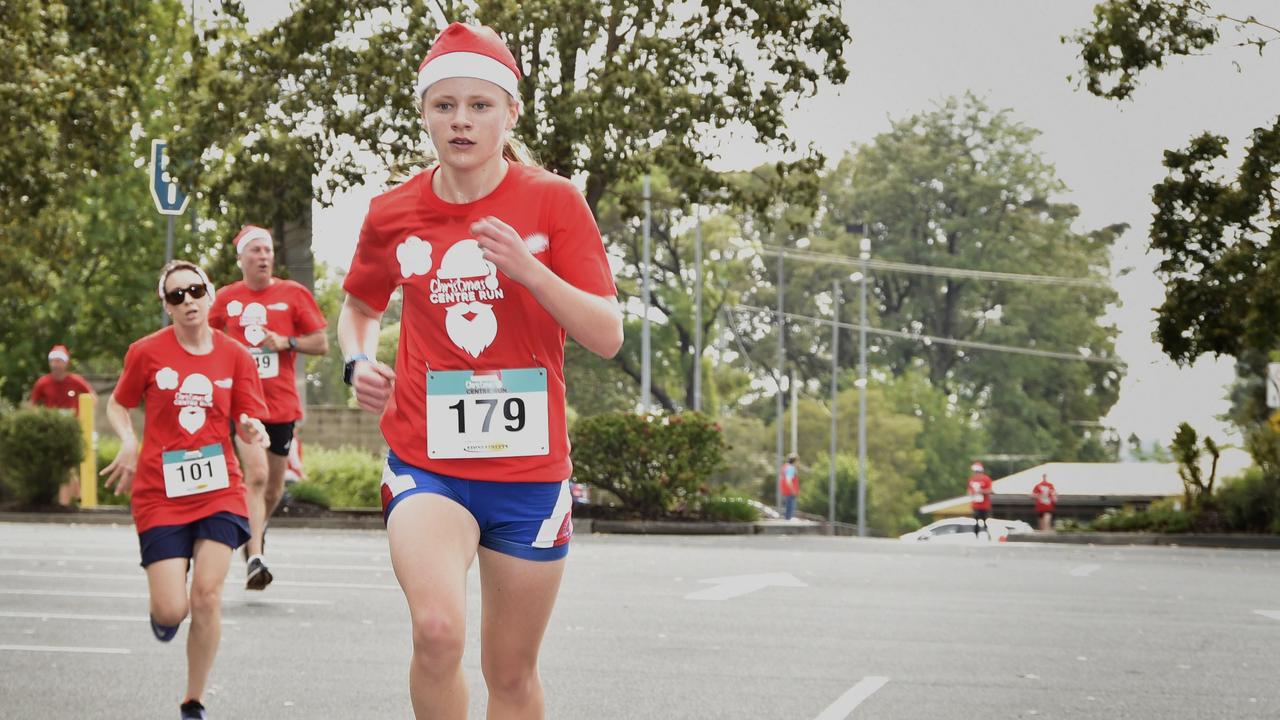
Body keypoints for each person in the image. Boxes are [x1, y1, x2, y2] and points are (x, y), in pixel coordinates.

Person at [336, 22, 621, 719]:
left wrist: (530, 272)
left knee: (511, 674)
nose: (461, 120)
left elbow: (606, 335)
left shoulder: (554, 202)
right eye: (444, 104)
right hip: (426, 460)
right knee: (436, 633)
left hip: (528, 476)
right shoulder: (392, 212)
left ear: (510, 112)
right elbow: (357, 308)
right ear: (425, 112)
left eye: (479, 104)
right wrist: (356, 360)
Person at [100, 260, 270, 720]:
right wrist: (129, 440)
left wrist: (252, 427)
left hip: (218, 489)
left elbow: (248, 413)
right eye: (176, 296)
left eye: (195, 290)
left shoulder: (235, 355)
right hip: (159, 493)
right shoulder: (146, 352)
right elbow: (119, 404)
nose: (188, 300)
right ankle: (166, 613)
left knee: (207, 596)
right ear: (167, 306)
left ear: (209, 293)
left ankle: (193, 701)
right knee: (174, 610)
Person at [208, 224, 328, 590]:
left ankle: (253, 533)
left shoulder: (293, 294)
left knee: (273, 489)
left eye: (268, 251)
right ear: (241, 258)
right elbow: (205, 340)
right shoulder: (226, 298)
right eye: (256, 251)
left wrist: (287, 342)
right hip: (243, 405)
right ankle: (256, 555)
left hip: (280, 406)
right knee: (256, 476)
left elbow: (320, 342)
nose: (263, 257)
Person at [29, 344, 96, 504]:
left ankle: (65, 501)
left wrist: (83, 416)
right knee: (64, 464)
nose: (55, 365)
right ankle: (76, 495)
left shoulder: (75, 381)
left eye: (59, 361)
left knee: (67, 463)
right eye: (53, 361)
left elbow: (92, 398)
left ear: (65, 363)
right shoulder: (43, 383)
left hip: (72, 428)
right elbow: (32, 405)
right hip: (52, 429)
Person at [967, 460, 993, 539]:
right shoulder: (972, 479)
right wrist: (972, 493)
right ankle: (976, 536)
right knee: (975, 521)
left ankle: (988, 535)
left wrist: (981, 491)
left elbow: (990, 490)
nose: (976, 473)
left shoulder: (986, 479)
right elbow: (969, 490)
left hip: (985, 505)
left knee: (986, 521)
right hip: (976, 504)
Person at [779, 454, 799, 520]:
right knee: (789, 510)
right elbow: (788, 480)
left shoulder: (785, 467)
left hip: (785, 491)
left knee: (786, 509)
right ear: (795, 461)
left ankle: (786, 521)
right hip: (789, 492)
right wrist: (792, 490)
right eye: (797, 461)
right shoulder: (791, 468)